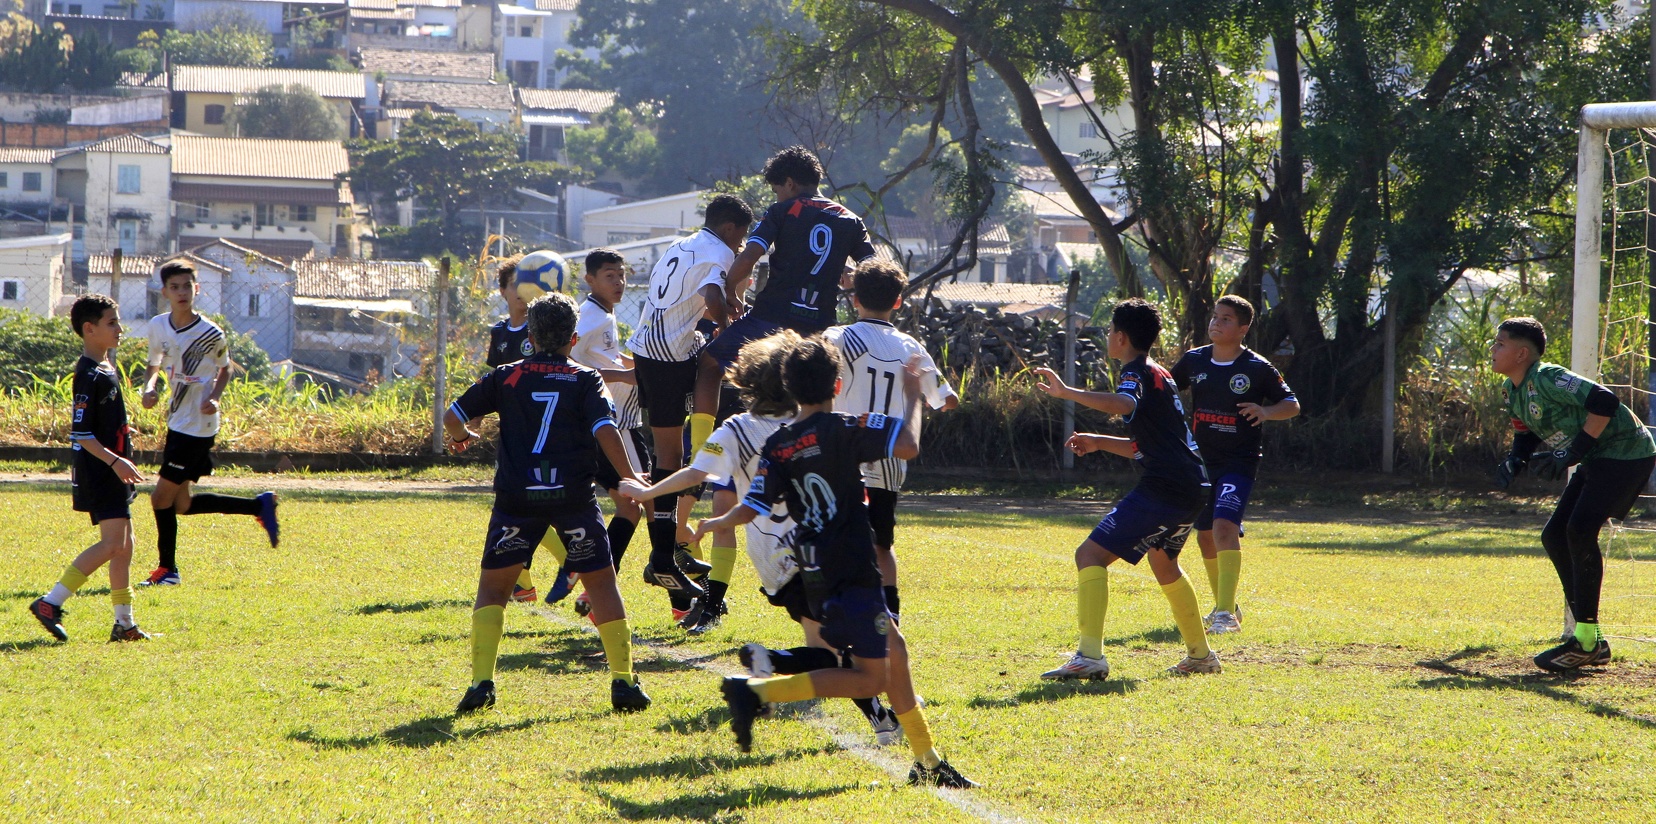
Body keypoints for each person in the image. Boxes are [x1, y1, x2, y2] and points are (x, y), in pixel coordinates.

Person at [693, 336, 976, 788]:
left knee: (895, 655)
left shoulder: (780, 445)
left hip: (815, 571)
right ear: (838, 385)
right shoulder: (848, 426)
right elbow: (907, 446)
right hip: (854, 568)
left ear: (789, 384)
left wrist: (716, 522)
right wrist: (912, 394)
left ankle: (928, 762)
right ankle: (758, 691)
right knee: (871, 679)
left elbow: (755, 507)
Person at [443, 292, 649, 714]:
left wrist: (462, 439)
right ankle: (624, 683)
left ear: (531, 337)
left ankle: (481, 684)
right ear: (574, 339)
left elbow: (452, 416)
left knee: (493, 590)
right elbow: (606, 430)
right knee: (602, 585)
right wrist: (628, 476)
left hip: (517, 500)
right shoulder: (585, 378)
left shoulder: (506, 377)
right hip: (572, 499)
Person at [1033, 298, 1218, 679]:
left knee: (1089, 555)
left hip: (1165, 486)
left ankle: (1089, 656)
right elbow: (1151, 444)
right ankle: (1200, 655)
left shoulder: (1135, 372)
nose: (1106, 337)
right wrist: (1101, 442)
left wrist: (1067, 391)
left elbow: (1122, 403)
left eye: (1108, 331)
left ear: (1119, 337)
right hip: (1193, 484)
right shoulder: (1159, 373)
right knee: (1164, 562)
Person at [1490, 316, 1656, 672]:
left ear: (1521, 354)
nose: (1493, 349)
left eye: (1500, 344)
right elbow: (1525, 428)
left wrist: (1574, 450)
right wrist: (1516, 458)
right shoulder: (1511, 389)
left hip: (1627, 452)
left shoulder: (1547, 376)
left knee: (1579, 531)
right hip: (1599, 457)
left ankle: (1585, 640)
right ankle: (1590, 639)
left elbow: (1605, 401)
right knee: (1554, 535)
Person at [692, 146, 878, 454]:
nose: (778, 195)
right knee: (812, 391)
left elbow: (751, 255)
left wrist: (727, 290)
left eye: (778, 189)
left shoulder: (782, 211)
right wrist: (845, 272)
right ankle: (816, 452)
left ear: (789, 183)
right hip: (818, 326)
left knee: (710, 363)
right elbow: (873, 271)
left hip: (772, 317)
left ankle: (700, 447)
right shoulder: (851, 220)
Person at [626, 194, 754, 602]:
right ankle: (663, 557)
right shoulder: (719, 251)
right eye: (742, 239)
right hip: (667, 358)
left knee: (671, 457)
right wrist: (726, 323)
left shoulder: (683, 243)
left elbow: (692, 297)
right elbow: (712, 297)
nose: (740, 248)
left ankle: (671, 548)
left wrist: (718, 316)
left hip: (650, 347)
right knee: (667, 461)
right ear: (731, 229)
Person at [822, 260, 957, 622]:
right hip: (890, 454)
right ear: (898, 302)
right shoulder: (910, 346)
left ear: (854, 299)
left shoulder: (838, 338)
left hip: (844, 452)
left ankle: (840, 608)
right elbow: (948, 400)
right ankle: (890, 614)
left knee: (835, 534)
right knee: (882, 541)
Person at [137, 260, 279, 588]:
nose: (182, 292)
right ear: (165, 292)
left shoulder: (211, 333)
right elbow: (153, 364)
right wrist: (149, 386)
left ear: (196, 290)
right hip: (177, 420)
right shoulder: (159, 326)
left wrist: (214, 396)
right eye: (175, 287)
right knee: (182, 504)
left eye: (187, 286)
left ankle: (167, 571)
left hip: (198, 426)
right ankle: (259, 505)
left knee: (160, 499)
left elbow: (226, 368)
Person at [1169, 295, 1299, 633]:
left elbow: (1292, 404)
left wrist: (1266, 411)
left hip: (1238, 463)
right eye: (1215, 316)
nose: (1216, 323)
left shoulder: (1257, 367)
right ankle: (1226, 606)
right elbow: (1166, 392)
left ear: (1243, 329)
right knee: (1206, 536)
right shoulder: (1194, 361)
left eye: (1226, 319)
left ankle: (1225, 615)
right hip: (1200, 462)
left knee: (1224, 527)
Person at [28, 294, 150, 642]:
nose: (120, 328)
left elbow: (101, 424)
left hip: (114, 471)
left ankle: (124, 624)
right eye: (112, 323)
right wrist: (115, 459)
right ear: (89, 329)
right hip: (101, 473)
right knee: (113, 545)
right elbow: (80, 433)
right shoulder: (88, 375)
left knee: (125, 545)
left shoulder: (107, 369)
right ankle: (51, 602)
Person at [565, 248, 647, 616]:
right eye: (610, 275)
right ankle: (584, 578)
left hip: (606, 423)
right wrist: (625, 376)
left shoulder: (604, 316)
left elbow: (603, 359)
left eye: (622, 274)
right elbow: (572, 361)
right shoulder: (589, 317)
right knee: (636, 502)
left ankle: (587, 583)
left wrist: (638, 367)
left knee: (630, 505)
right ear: (590, 281)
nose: (619, 281)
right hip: (607, 425)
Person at [484, 254, 547, 603]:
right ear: (504, 291)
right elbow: (491, 382)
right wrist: (475, 416)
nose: (523, 291)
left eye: (529, 284)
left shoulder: (539, 332)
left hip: (539, 429)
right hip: (511, 430)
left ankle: (569, 565)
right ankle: (522, 583)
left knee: (533, 504)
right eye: (516, 285)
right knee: (514, 502)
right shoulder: (499, 332)